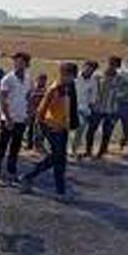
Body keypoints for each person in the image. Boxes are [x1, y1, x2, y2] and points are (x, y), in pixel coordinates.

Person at [21, 62, 79, 200]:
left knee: (58, 158)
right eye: (69, 75)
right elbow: (41, 112)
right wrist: (47, 128)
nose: (71, 78)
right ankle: (59, 190)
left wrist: (71, 124)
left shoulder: (70, 87)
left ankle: (30, 177)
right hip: (51, 127)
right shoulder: (54, 88)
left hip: (62, 127)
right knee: (58, 158)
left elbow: (72, 107)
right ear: (62, 74)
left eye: (72, 76)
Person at [0, 52, 32, 186]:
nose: (18, 64)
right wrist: (7, 118)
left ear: (27, 64)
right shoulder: (7, 79)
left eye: (21, 62)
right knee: (2, 147)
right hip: (9, 118)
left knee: (15, 147)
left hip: (21, 117)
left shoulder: (28, 79)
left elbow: (28, 97)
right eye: (16, 61)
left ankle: (11, 172)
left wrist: (28, 114)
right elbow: (2, 100)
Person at [85, 56, 128, 159]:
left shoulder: (120, 79)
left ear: (118, 66)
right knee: (91, 130)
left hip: (111, 109)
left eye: (114, 64)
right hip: (97, 108)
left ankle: (101, 153)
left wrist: (118, 96)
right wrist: (90, 102)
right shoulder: (98, 75)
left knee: (107, 132)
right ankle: (88, 151)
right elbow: (90, 89)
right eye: (110, 63)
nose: (111, 66)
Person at [71, 61, 99, 158]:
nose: (89, 70)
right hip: (71, 106)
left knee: (80, 128)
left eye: (92, 69)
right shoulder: (75, 78)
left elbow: (93, 98)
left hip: (84, 109)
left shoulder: (93, 81)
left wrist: (91, 109)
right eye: (87, 67)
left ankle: (74, 149)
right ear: (83, 67)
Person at [26, 73, 48, 150]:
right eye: (41, 80)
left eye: (44, 80)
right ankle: (29, 144)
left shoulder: (46, 90)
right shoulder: (32, 89)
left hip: (41, 112)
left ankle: (38, 144)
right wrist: (29, 109)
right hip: (32, 111)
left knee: (40, 129)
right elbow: (28, 99)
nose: (42, 82)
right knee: (30, 128)